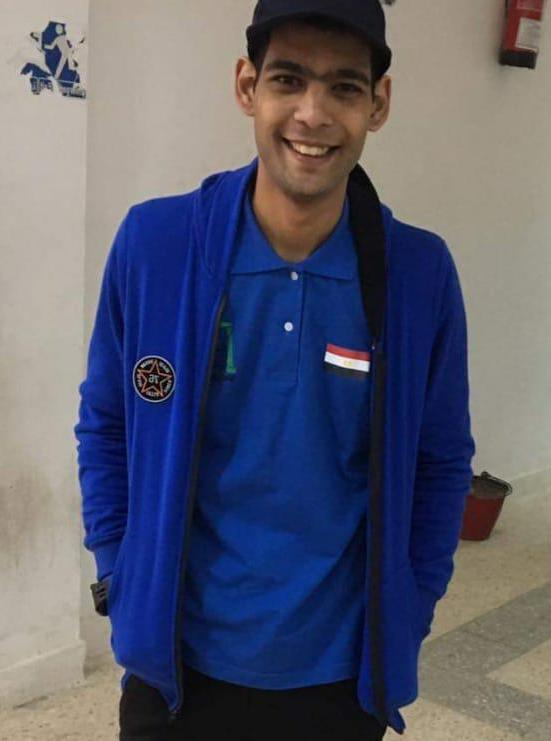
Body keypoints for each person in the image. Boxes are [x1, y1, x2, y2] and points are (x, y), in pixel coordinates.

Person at [74, 1, 476, 739]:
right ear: (246, 87)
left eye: (344, 87)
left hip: (338, 679)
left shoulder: (417, 274)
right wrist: (120, 573)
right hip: (175, 673)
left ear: (378, 104)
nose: (312, 114)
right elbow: (105, 422)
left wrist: (412, 603)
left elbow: (442, 458)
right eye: (288, 79)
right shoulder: (156, 246)